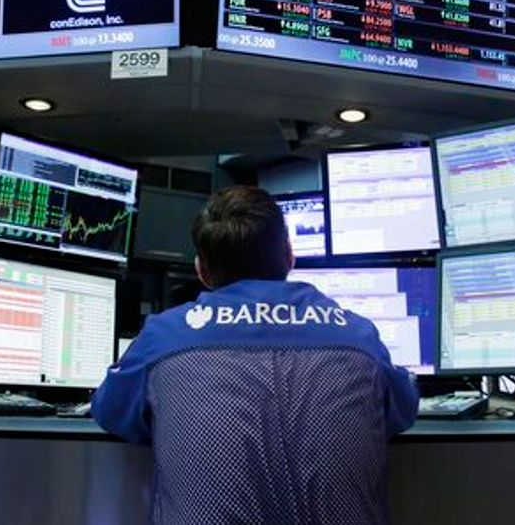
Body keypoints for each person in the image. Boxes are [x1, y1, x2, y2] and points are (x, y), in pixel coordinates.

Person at [93, 185, 419, 524]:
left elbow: (110, 411)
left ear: (202, 270)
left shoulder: (164, 339)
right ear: (289, 255)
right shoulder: (359, 338)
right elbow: (403, 411)